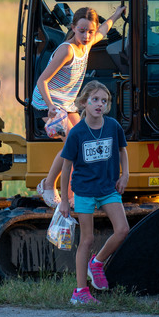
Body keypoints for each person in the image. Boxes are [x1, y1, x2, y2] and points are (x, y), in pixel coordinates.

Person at [31, 4, 126, 208]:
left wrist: (116, 14)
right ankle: (48, 185)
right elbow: (42, 81)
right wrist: (50, 107)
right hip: (48, 101)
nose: (86, 35)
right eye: (81, 31)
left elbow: (104, 29)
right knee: (71, 145)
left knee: (83, 145)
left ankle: (75, 196)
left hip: (66, 102)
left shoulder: (88, 43)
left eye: (89, 31)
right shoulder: (67, 50)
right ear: (73, 28)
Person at [56, 80, 130, 305]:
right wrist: (63, 201)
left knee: (123, 229)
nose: (99, 104)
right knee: (86, 239)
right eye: (95, 100)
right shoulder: (77, 133)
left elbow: (122, 150)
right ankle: (80, 292)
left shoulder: (113, 126)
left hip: (108, 189)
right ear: (84, 103)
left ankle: (96, 263)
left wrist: (125, 174)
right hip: (85, 191)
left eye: (104, 101)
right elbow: (66, 166)